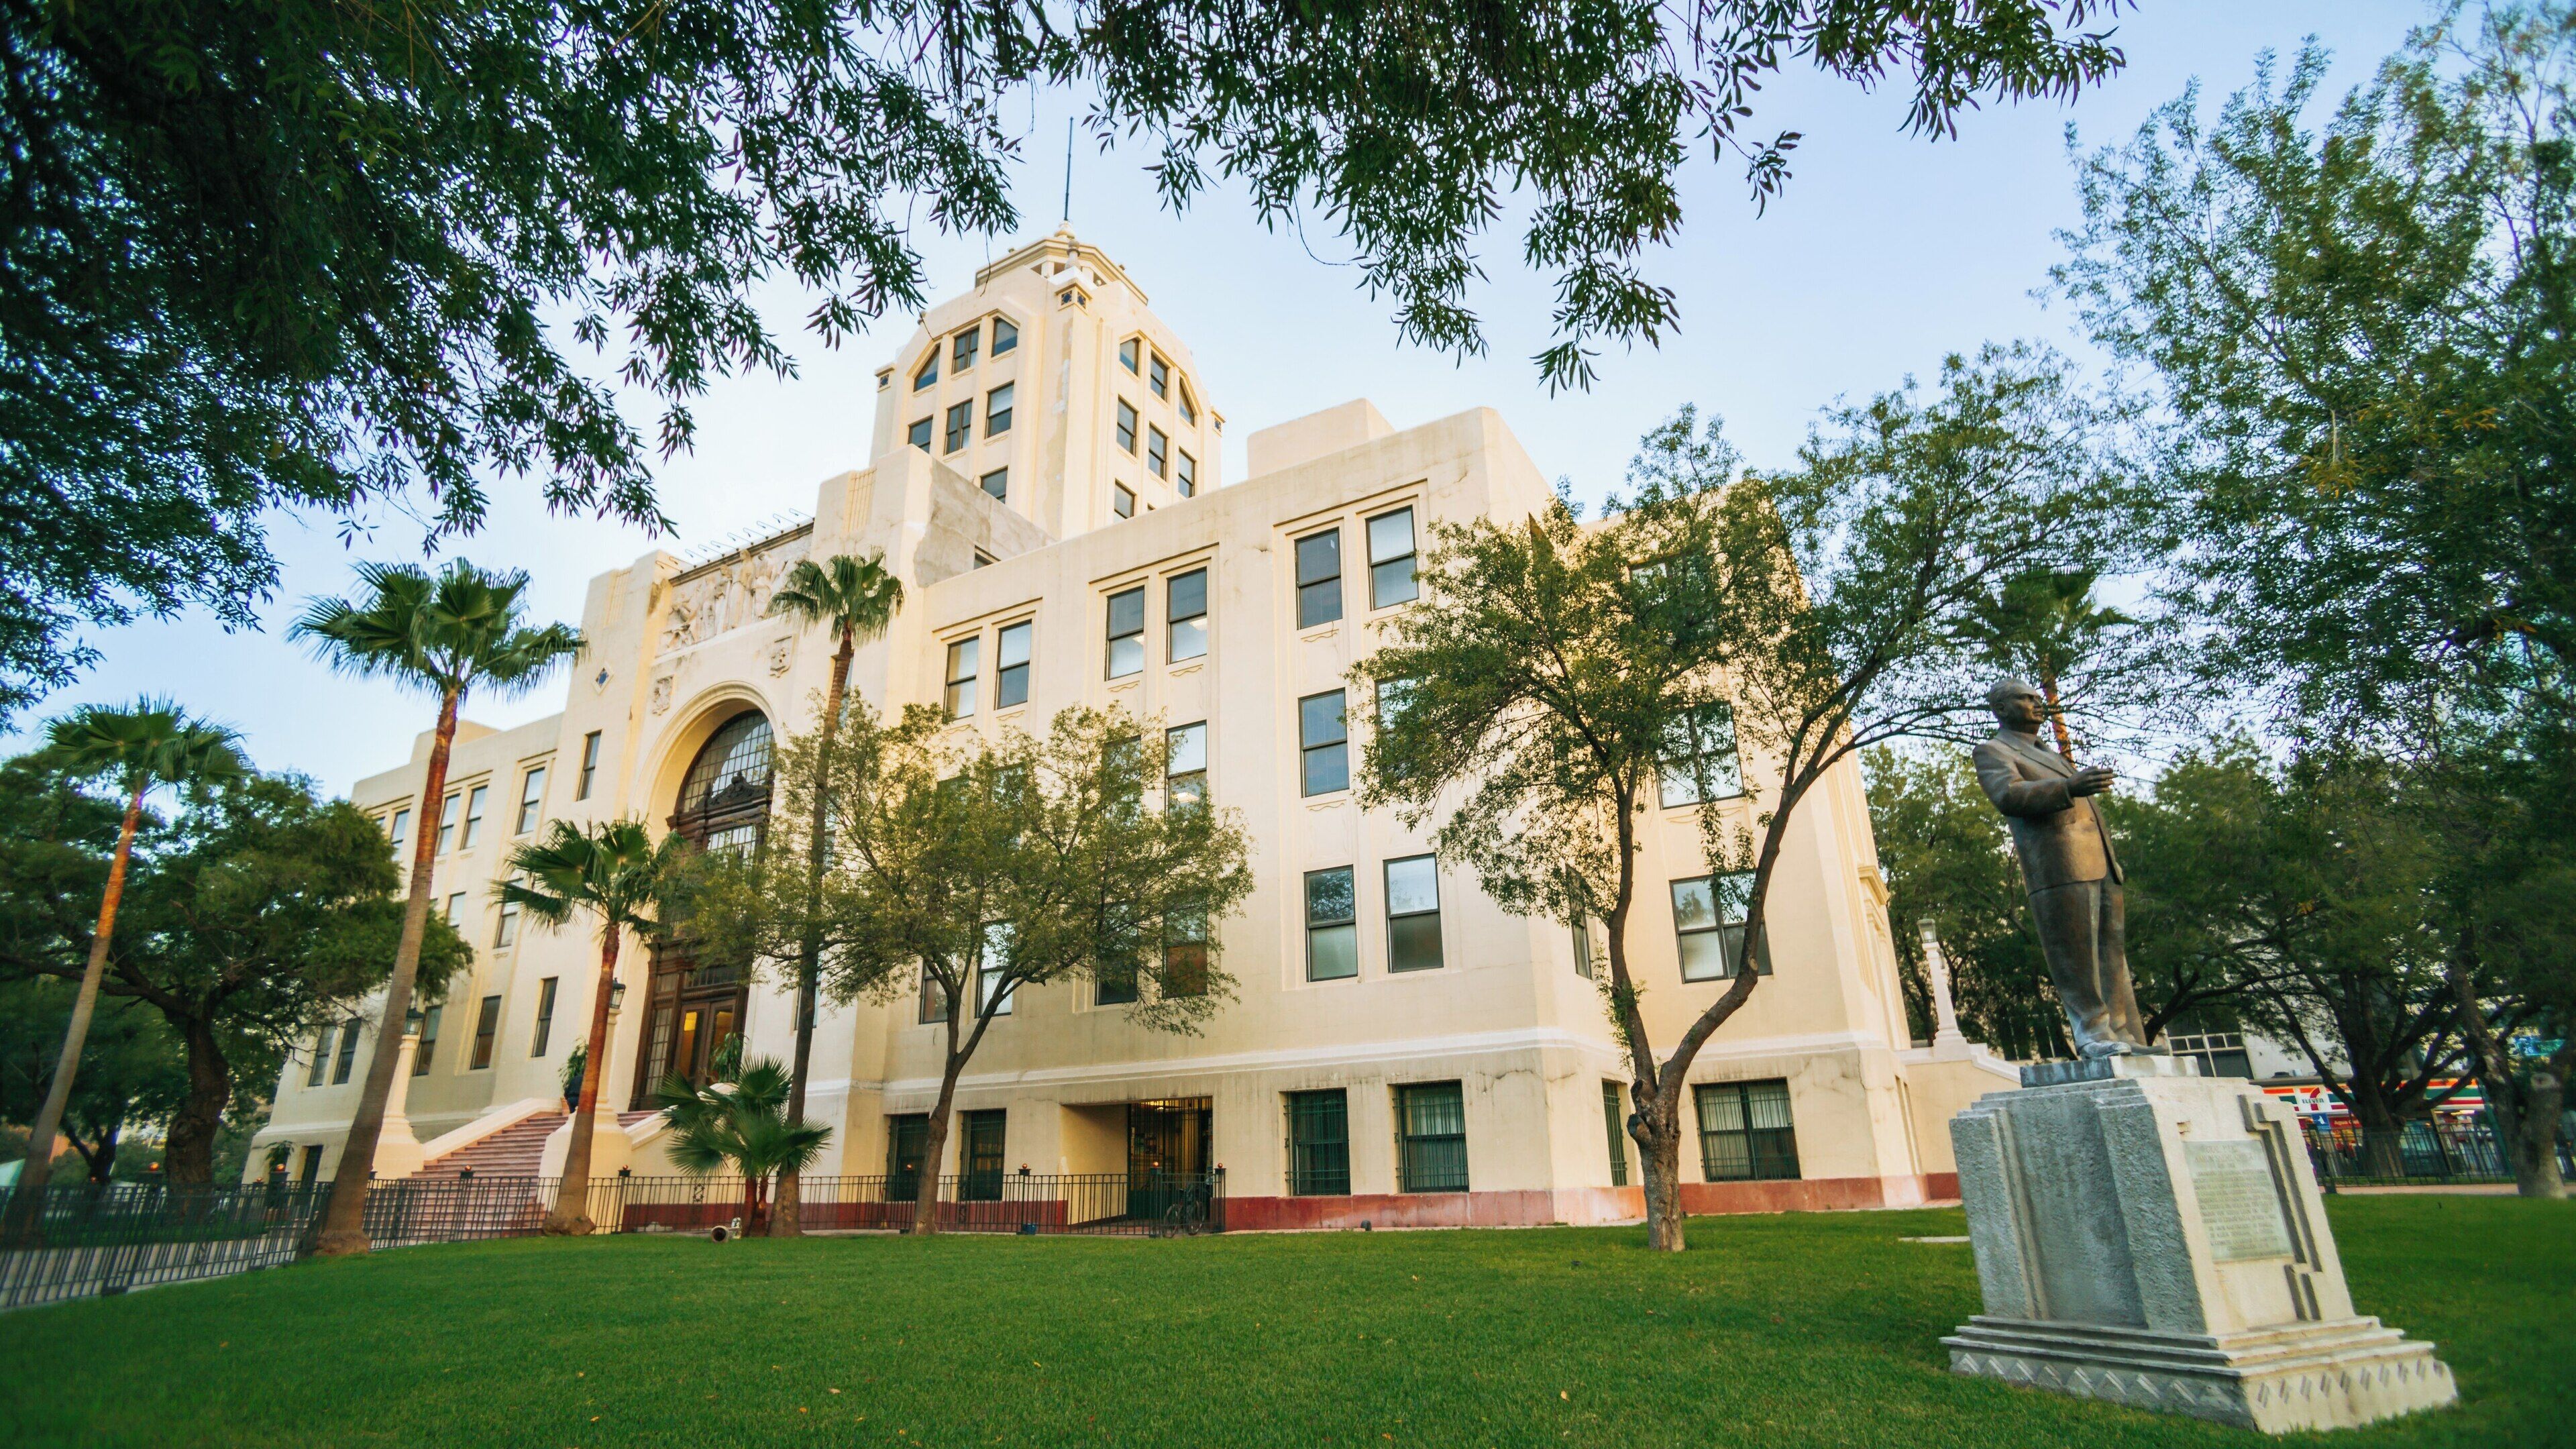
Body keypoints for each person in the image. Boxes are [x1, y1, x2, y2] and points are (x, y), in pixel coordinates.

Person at [1971, 677, 2151, 1058]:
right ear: (2002, 709)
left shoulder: (2051, 754)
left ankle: (2122, 1034)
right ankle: (2094, 1034)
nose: (2039, 705)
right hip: (2058, 869)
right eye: (2026, 699)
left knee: (2110, 955)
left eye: (2039, 698)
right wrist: (2070, 787)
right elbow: (2008, 795)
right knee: (2077, 955)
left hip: (2099, 864)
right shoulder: (1993, 750)